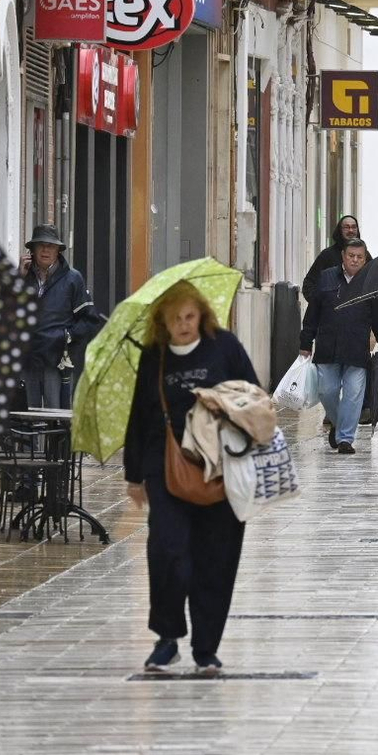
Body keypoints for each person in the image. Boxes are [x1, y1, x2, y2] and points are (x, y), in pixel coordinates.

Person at [123, 281, 259, 675]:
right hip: (165, 468)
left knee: (216, 559)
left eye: (190, 316)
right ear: (163, 322)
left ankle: (206, 649)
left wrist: (223, 404)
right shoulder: (155, 356)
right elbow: (139, 415)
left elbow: (254, 395)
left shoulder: (225, 346)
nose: (184, 324)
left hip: (223, 468)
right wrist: (134, 476)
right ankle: (166, 640)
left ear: (202, 314)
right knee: (168, 551)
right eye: (175, 318)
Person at [300, 239, 378, 455]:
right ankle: (339, 424)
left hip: (356, 348)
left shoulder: (372, 282)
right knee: (327, 390)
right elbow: (313, 313)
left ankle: (345, 439)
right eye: (351, 255)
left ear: (365, 258)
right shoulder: (327, 277)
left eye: (359, 256)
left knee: (353, 393)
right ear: (343, 256)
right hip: (328, 346)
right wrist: (305, 342)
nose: (355, 260)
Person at [21, 224, 104, 408]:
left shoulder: (72, 279)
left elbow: (90, 320)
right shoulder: (22, 277)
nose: (45, 250)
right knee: (26, 417)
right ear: (32, 250)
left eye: (50, 246)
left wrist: (66, 336)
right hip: (28, 360)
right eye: (40, 245)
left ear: (58, 250)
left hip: (56, 361)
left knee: (55, 417)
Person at [302, 215, 361, 305]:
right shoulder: (327, 255)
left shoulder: (364, 255)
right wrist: (321, 305)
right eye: (346, 227)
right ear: (340, 230)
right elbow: (309, 284)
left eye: (354, 227)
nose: (351, 230)